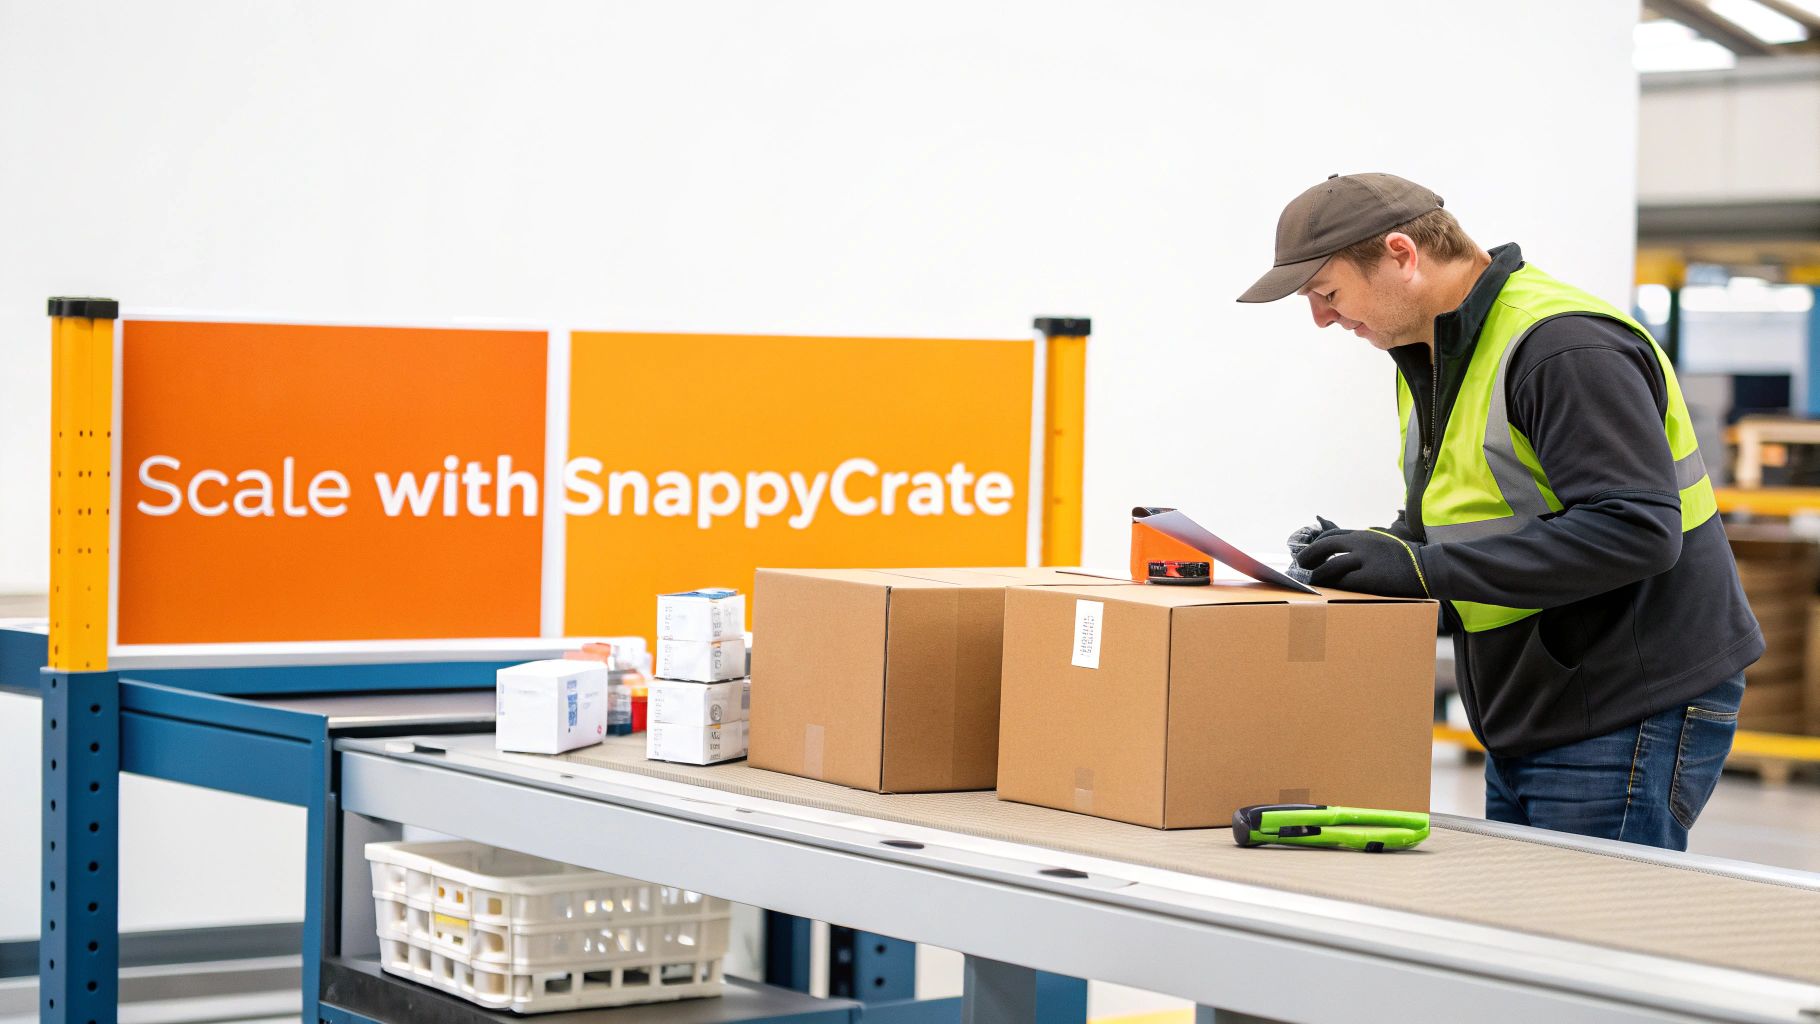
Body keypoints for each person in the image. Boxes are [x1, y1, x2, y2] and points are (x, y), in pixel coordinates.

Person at [1238, 173, 1761, 851]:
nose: (1322, 319)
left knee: (1584, 942)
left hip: (1625, 697)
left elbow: (1637, 528)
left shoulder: (1561, 348)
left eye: (1327, 293)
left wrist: (1424, 571)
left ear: (1402, 253)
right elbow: (1472, 518)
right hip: (1535, 699)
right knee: (1527, 935)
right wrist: (1376, 553)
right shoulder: (1433, 356)